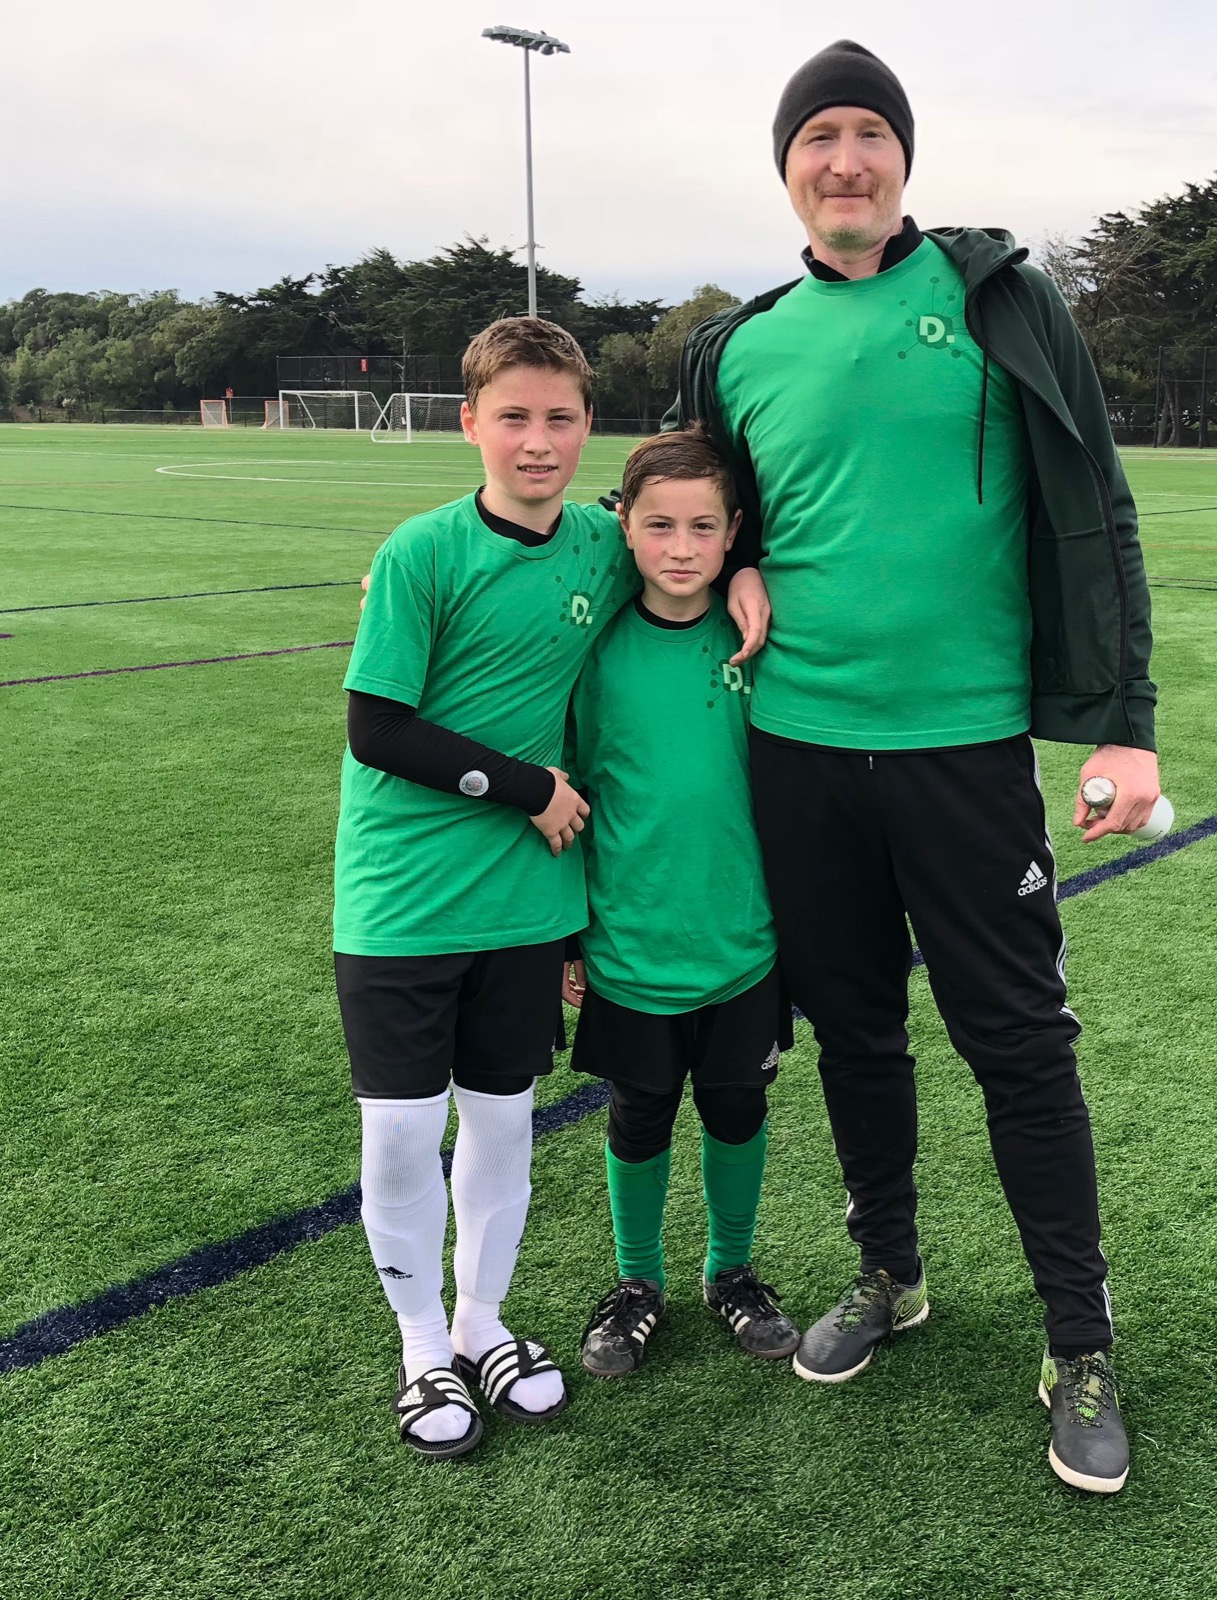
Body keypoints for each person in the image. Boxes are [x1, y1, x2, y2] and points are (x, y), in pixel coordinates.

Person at [667, 41, 1161, 1493]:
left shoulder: (997, 299)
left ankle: (1078, 1342)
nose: (844, 160)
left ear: (903, 162)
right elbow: (706, 525)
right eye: (817, 136)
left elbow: (1096, 505)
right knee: (855, 1033)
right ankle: (889, 1268)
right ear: (784, 169)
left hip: (960, 750)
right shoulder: (733, 346)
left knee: (1016, 1041)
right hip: (795, 749)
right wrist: (741, 563)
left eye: (869, 134)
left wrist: (1124, 718)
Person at [335, 318, 767, 1459]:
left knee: (502, 1125)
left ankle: (480, 1323)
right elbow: (374, 726)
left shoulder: (597, 541)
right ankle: (421, 1344)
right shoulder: (424, 551)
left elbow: (690, 528)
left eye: (560, 417)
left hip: (529, 902)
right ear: (468, 421)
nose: (537, 441)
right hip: (404, 898)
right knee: (399, 1133)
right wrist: (523, 782)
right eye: (513, 416)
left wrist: (752, 569)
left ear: (587, 428)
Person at [561, 429, 799, 1378]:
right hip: (629, 940)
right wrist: (567, 939)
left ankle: (730, 1271)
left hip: (742, 942)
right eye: (658, 525)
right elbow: (570, 795)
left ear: (734, 532)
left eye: (705, 526)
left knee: (738, 1107)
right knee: (641, 1110)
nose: (682, 547)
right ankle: (636, 1283)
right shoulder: (592, 651)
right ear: (624, 526)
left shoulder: (757, 635)